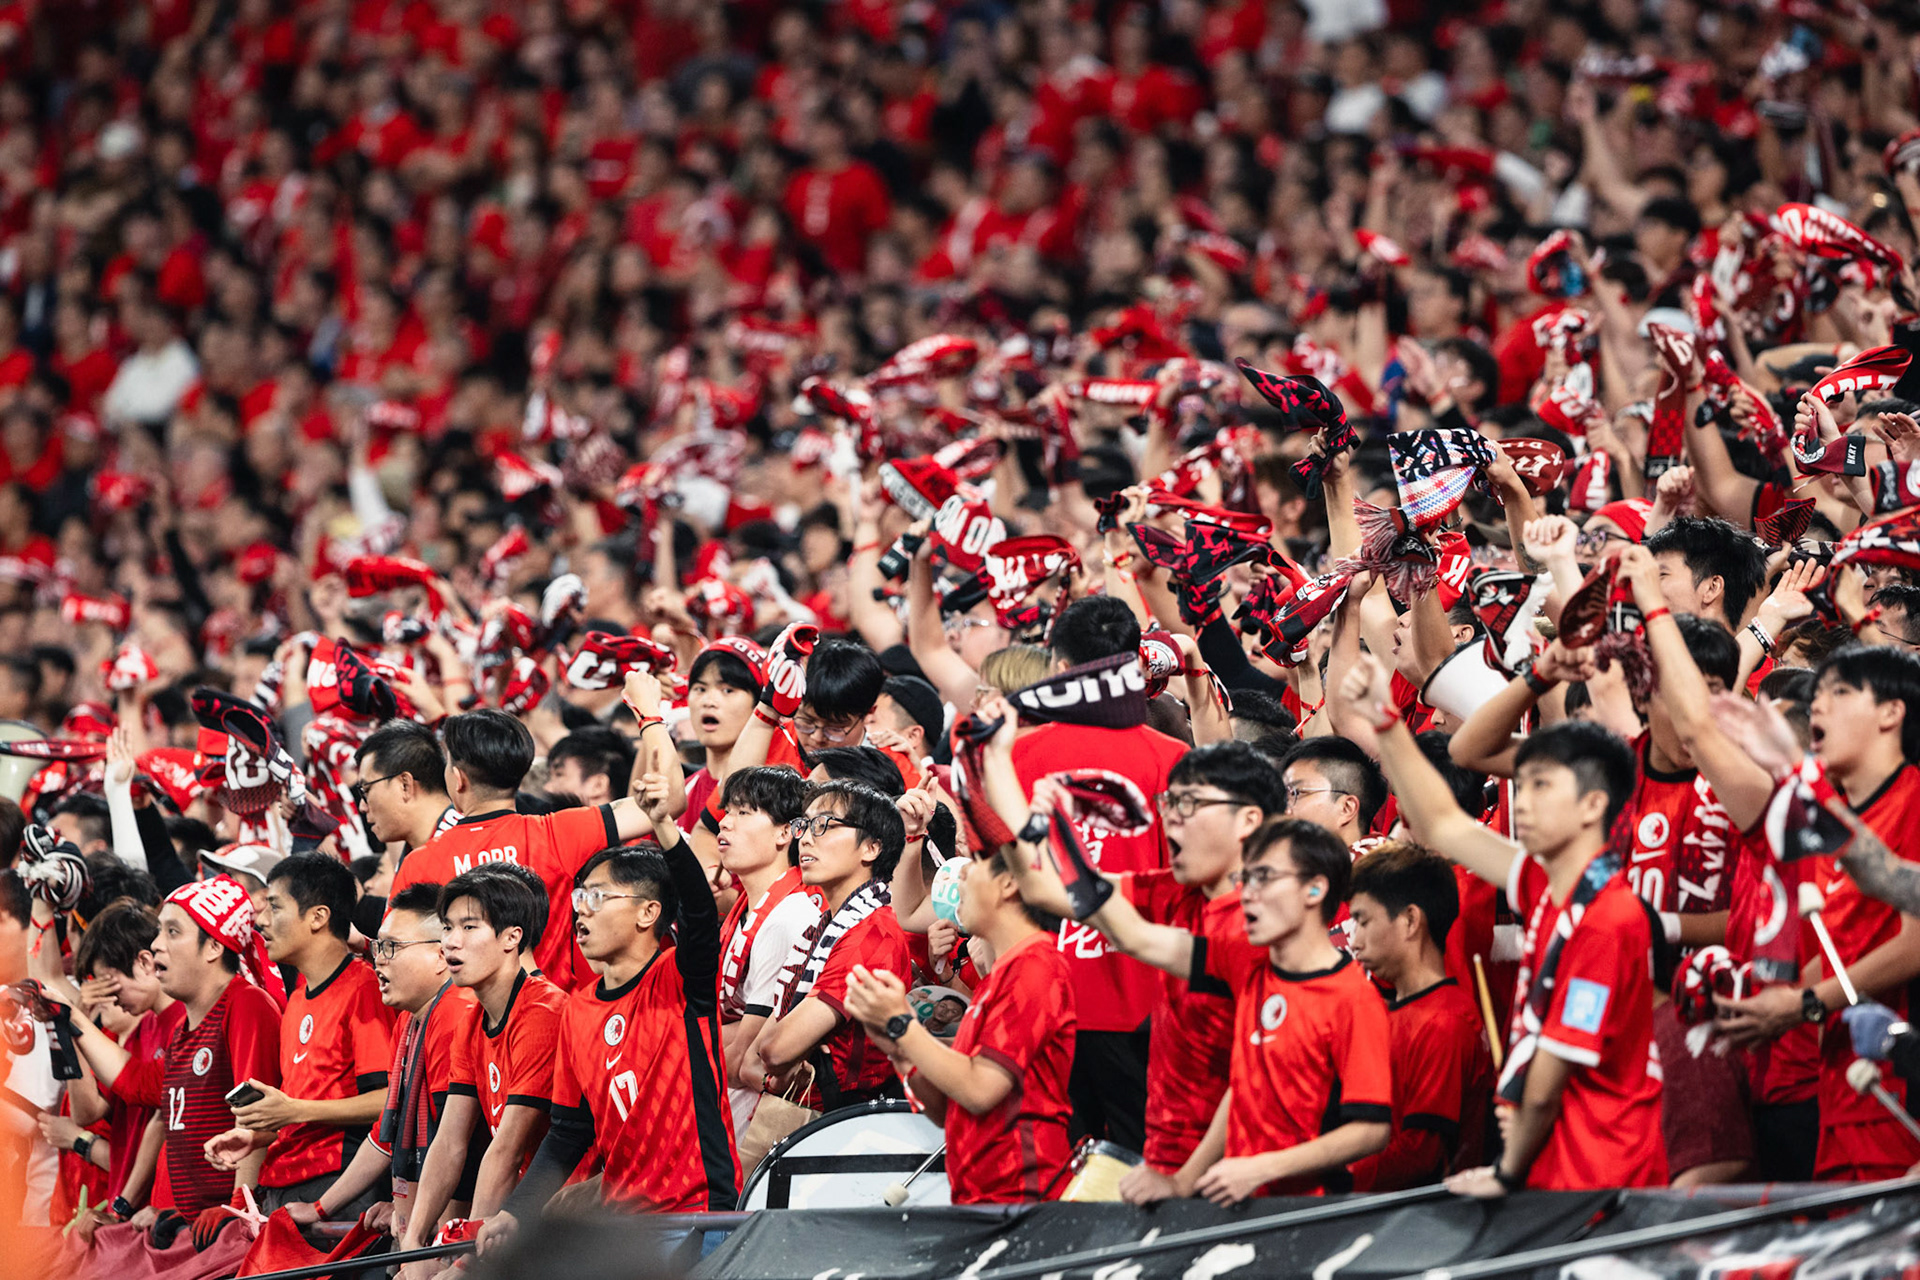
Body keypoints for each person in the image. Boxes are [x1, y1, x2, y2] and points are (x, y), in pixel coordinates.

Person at [1340, 651, 1667, 1193]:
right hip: (1558, 1171)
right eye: (1524, 784)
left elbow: (1550, 1075)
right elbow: (1442, 824)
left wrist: (1506, 1171)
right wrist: (1386, 719)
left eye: (1543, 787)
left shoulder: (1608, 918)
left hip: (1601, 1179)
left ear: (1593, 805)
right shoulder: (1547, 884)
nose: (1525, 803)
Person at [1032, 812, 1393, 1203]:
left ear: (1315, 889)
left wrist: (1262, 1168)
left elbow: (1371, 1131)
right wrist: (1184, 1180)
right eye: (1245, 879)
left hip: (1302, 1212)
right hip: (1237, 1200)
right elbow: (1244, 1087)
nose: (1248, 894)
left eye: (1264, 878)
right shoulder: (1255, 972)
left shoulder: (1353, 998)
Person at [482, 767, 736, 1246]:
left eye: (598, 896)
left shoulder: (680, 980)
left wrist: (663, 826)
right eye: (580, 896)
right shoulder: (576, 1009)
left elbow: (701, 913)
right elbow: (568, 1132)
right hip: (619, 1232)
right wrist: (516, 1212)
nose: (582, 908)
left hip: (697, 1218)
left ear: (648, 912)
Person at [1009, 595, 1188, 1150]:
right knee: (1144, 1158)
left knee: (1054, 1160)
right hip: (1144, 996)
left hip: (1041, 995)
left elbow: (1003, 877)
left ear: (1060, 668)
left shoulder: (1014, 757)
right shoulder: (1170, 757)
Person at [840, 785, 1077, 1204]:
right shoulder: (1004, 973)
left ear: (1009, 883)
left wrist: (904, 1026)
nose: (960, 876)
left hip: (1022, 1200)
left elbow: (980, 1089)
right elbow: (947, 1111)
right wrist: (898, 1048)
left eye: (975, 865)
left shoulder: (1036, 967)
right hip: (981, 1199)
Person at [387, 678, 682, 991]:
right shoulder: (558, 834)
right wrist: (649, 712)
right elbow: (671, 800)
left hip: (457, 1018)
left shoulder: (420, 862)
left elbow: (394, 952)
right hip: (553, 1012)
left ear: (458, 779)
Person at [63, 877, 284, 1215]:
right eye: (159, 932)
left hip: (226, 1224)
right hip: (192, 1222)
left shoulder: (246, 1005)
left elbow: (257, 1117)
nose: (156, 945)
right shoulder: (185, 1027)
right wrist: (68, 1017)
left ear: (213, 947)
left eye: (173, 932)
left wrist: (239, 1211)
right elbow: (139, 1082)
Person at [282, 882, 475, 1245]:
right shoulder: (409, 1019)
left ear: (441, 955)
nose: (379, 959)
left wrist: (427, 1239)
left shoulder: (454, 1014)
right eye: (378, 946)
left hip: (453, 1227)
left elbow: (455, 1146)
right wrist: (320, 1208)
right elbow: (387, 1133)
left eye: (391, 947)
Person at [205, 854, 395, 1215]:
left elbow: (387, 1101)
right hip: (281, 1184)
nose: (261, 920)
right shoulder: (296, 999)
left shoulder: (364, 988)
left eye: (274, 907)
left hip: (339, 1186)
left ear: (318, 917)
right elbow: (306, 1110)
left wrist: (293, 1111)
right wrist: (258, 1135)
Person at [401, 868, 567, 1255]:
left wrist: (465, 1257)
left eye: (469, 927)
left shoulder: (544, 1012)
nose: (450, 942)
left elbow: (508, 1150)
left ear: (512, 937)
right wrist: (413, 1241)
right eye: (447, 927)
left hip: (566, 1215)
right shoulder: (471, 1020)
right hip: (514, 1216)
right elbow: (449, 1141)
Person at [750, 780, 911, 1109]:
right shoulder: (823, 928)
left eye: (824, 824)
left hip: (844, 1125)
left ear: (871, 848)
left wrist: (777, 1069)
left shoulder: (872, 935)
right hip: (813, 1117)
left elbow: (774, 1050)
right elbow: (756, 1059)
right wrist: (773, 1075)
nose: (806, 838)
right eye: (805, 824)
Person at [1345, 842, 1493, 1191]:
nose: (1355, 941)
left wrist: (1328, 1180)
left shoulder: (1445, 1023)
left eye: (1363, 921)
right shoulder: (1394, 1012)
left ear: (1411, 921)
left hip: (1423, 1214)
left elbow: (1419, 1156)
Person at [711, 767, 819, 1135]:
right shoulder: (745, 908)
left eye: (744, 812)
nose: (725, 823)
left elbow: (744, 1062)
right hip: (733, 1101)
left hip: (756, 1114)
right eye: (727, 811)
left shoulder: (789, 917)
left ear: (785, 832)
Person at [65, 900, 185, 1218]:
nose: (108, 996)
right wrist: (75, 1026)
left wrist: (123, 1205)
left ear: (144, 962)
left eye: (108, 980)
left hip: (161, 1211)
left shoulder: (185, 1022)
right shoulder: (141, 1031)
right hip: (133, 1213)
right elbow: (86, 1112)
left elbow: (159, 1116)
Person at [355, 719, 458, 852]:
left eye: (366, 790)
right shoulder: (418, 852)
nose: (362, 807)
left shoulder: (467, 850)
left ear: (405, 785)